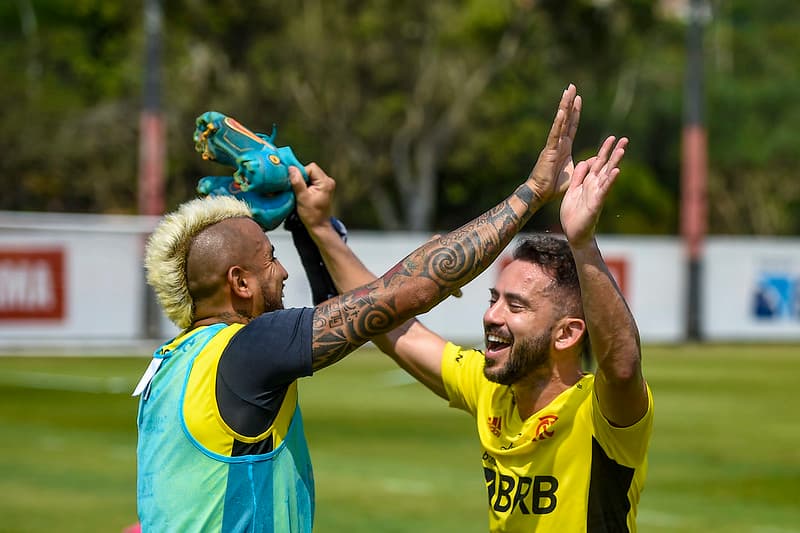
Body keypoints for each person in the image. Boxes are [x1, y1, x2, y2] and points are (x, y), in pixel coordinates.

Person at [133, 84, 587, 532]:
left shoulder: (175, 362)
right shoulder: (250, 349)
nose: (283, 274)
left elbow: (341, 314)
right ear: (240, 283)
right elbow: (404, 293)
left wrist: (304, 223)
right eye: (270, 260)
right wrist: (533, 191)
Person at [302, 122, 650, 529]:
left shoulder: (600, 413)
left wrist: (583, 242)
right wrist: (322, 228)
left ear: (568, 333)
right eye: (493, 299)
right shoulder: (491, 389)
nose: (492, 316)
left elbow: (623, 368)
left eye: (515, 306)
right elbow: (388, 324)